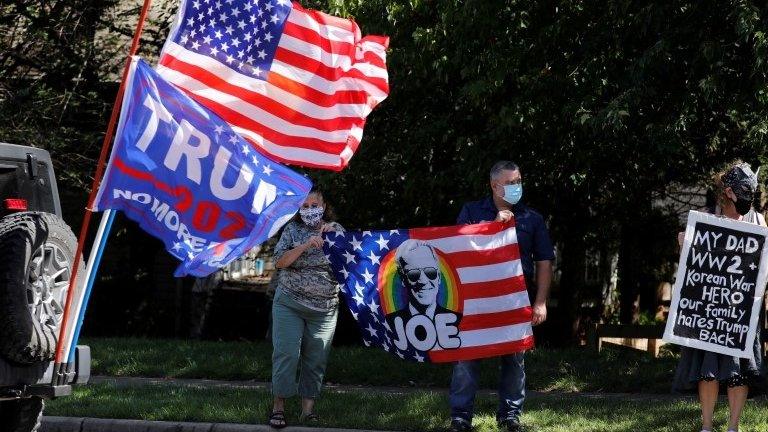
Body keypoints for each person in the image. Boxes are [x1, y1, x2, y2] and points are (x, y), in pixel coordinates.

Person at [449, 161, 554, 432]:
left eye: (518, 180)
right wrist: (493, 226)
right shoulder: (471, 212)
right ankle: (461, 417)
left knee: (514, 360)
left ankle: (510, 416)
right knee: (467, 357)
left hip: (516, 299)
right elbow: (460, 248)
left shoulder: (532, 218)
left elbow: (544, 261)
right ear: (494, 185)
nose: (515, 186)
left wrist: (540, 302)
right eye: (509, 183)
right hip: (475, 299)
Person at [672, 161, 766, 432]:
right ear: (728, 191)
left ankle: (733, 427)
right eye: (742, 192)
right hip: (710, 308)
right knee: (708, 368)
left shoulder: (758, 221)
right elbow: (693, 269)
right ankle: (707, 426)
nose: (748, 198)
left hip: (742, 310)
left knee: (739, 370)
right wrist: (684, 244)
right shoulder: (706, 217)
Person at [268, 187, 343, 429]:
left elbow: (350, 261)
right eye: (305, 206)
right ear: (299, 209)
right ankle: (278, 406)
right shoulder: (292, 230)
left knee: (316, 359)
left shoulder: (336, 229)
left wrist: (335, 240)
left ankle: (307, 412)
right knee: (287, 354)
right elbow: (280, 262)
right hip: (290, 302)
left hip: (325, 308)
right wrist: (305, 246)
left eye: (315, 205)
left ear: (324, 206)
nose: (310, 210)